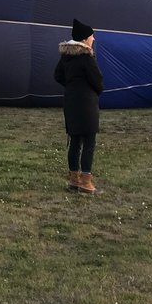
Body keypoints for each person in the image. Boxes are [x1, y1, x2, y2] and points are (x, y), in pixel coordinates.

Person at [54, 18, 105, 195]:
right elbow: (97, 80)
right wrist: (92, 91)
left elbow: (57, 75)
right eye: (92, 36)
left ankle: (74, 180)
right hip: (86, 104)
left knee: (75, 141)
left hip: (71, 102)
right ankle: (86, 182)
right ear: (84, 39)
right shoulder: (85, 57)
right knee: (89, 141)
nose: (93, 39)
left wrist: (72, 87)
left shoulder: (66, 57)